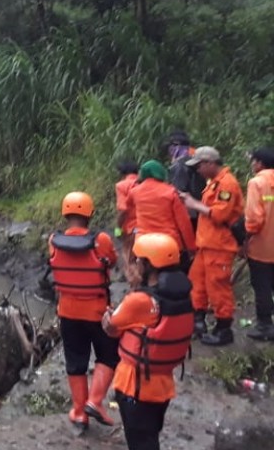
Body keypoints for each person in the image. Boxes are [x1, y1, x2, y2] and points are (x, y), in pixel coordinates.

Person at [102, 232, 194, 450]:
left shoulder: (139, 301)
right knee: (150, 436)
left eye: (139, 260)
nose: (136, 265)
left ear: (148, 264)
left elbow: (112, 326)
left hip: (135, 386)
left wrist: (108, 322)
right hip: (162, 387)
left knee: (141, 442)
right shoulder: (182, 297)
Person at [48, 192, 119, 433]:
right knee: (109, 356)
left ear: (65, 214)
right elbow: (112, 261)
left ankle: (79, 413)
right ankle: (95, 401)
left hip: (68, 313)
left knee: (75, 362)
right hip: (98, 312)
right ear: (90, 214)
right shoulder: (101, 240)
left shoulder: (52, 241)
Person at [180, 146, 244, 345]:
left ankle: (224, 329)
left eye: (199, 165)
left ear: (209, 163)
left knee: (218, 287)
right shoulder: (213, 183)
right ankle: (197, 321)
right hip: (207, 245)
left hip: (220, 246)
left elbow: (220, 214)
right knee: (196, 283)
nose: (197, 170)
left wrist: (193, 203)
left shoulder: (227, 184)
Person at [127, 160, 195, 269]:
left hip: (144, 243)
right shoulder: (171, 192)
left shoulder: (134, 192)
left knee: (145, 278)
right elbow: (184, 223)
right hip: (169, 244)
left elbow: (128, 209)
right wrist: (191, 248)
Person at [245, 147, 274, 341]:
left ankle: (265, 326)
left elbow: (254, 219)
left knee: (262, 286)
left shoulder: (257, 183)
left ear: (259, 163)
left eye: (253, 161)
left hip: (263, 247)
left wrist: (245, 238)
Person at [166, 130, 205, 229]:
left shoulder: (179, 166)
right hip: (200, 208)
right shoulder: (196, 161)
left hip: (187, 212)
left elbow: (178, 191)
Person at [114, 159, 139, 274]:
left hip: (131, 229)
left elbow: (123, 210)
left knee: (129, 257)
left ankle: (134, 287)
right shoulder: (144, 182)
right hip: (148, 227)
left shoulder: (121, 186)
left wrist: (118, 228)